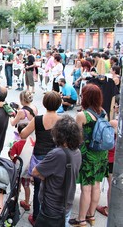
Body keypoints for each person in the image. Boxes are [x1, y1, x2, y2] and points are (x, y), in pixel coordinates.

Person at [20, 91, 62, 226]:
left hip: (39, 157)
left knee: (38, 187)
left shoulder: (37, 119)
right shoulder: (62, 120)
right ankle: (50, 214)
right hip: (55, 158)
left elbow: (23, 135)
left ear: (44, 103)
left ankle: (36, 216)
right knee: (53, 187)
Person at [32, 115, 82, 227]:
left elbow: (35, 171)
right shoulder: (77, 152)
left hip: (52, 206)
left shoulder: (57, 154)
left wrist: (45, 175)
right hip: (66, 203)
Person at [69, 84, 108, 227]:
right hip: (101, 154)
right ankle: (91, 215)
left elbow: (76, 137)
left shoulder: (82, 115)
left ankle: (81, 219)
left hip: (87, 155)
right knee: (96, 185)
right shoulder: (103, 112)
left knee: (86, 188)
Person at [96, 95, 119, 217]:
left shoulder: (114, 123)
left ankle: (110, 209)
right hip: (115, 158)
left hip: (112, 158)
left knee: (112, 184)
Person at [9, 123, 31, 211]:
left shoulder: (17, 144)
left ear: (18, 132)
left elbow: (11, 156)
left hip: (17, 169)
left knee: (16, 185)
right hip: (27, 169)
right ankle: (27, 202)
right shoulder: (31, 144)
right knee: (26, 185)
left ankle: (15, 200)